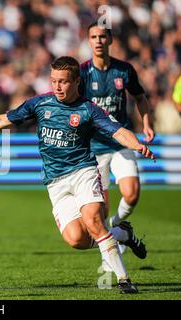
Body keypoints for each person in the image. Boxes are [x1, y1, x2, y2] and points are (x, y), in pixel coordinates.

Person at [0, 56, 155, 294]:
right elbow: (5, 119)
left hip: (83, 172)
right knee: (78, 239)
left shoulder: (89, 110)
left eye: (63, 82)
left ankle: (123, 279)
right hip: (55, 181)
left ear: (77, 81)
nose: (57, 86)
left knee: (94, 222)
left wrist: (138, 146)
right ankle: (122, 233)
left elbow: (118, 131)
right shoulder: (40, 104)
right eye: (54, 81)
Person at [79, 22, 155, 230]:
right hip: (94, 147)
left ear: (110, 40)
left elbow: (140, 98)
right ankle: (110, 252)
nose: (98, 41)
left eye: (102, 37)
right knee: (100, 208)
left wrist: (146, 123)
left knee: (132, 193)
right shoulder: (83, 73)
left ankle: (116, 226)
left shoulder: (124, 70)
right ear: (89, 41)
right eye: (93, 37)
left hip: (121, 141)